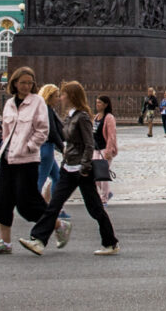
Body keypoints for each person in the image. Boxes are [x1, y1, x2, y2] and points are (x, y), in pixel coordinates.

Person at [23, 82, 118, 256]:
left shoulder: (82, 117)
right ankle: (38, 240)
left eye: (64, 94)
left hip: (82, 170)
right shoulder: (70, 116)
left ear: (72, 96)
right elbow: (67, 141)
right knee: (54, 205)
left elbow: (89, 144)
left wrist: (85, 166)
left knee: (95, 208)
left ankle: (110, 242)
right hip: (68, 167)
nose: (61, 98)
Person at [0, 67, 55, 255]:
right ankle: (5, 242)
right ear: (14, 83)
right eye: (22, 82)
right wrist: (4, 147)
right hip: (8, 158)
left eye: (29, 83)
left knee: (27, 203)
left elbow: (42, 130)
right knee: (1, 200)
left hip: (27, 160)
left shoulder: (37, 102)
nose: (26, 86)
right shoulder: (9, 103)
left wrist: (29, 147)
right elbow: (6, 129)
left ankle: (57, 224)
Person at [92, 96, 120, 207]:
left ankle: (104, 198)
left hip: (105, 149)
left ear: (105, 104)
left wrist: (109, 150)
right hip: (96, 149)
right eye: (96, 102)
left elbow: (112, 135)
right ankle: (107, 193)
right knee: (95, 175)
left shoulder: (109, 118)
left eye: (99, 103)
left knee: (102, 175)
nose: (97, 104)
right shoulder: (96, 117)